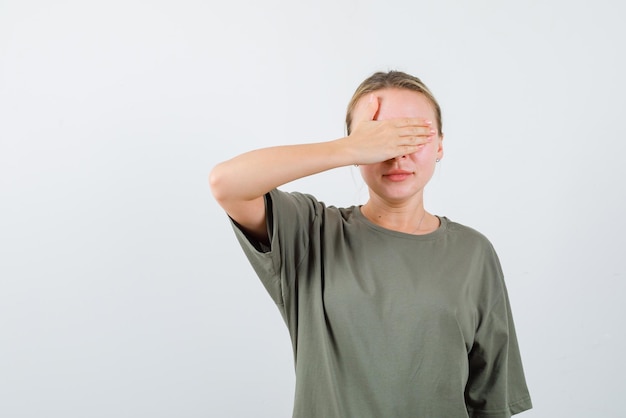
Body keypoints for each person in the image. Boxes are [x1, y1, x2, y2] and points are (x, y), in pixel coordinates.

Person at [210, 70, 532, 417]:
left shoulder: (472, 253)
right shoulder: (310, 232)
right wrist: (348, 148)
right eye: (381, 137)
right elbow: (226, 183)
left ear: (439, 144)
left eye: (414, 134)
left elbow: (491, 401)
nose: (398, 153)